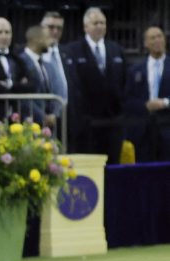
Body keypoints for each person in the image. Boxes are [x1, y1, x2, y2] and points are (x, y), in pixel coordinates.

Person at [65, 7, 126, 164]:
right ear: (85, 27)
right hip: (87, 123)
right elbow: (74, 85)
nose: (99, 26)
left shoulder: (116, 49)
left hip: (113, 121)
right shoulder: (72, 50)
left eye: (102, 23)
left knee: (113, 166)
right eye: (95, 23)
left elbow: (124, 81)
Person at [123, 26, 170, 162]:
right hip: (142, 130)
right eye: (152, 38)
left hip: (167, 126)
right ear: (145, 43)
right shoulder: (134, 69)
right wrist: (145, 106)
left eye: (159, 36)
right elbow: (127, 99)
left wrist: (165, 102)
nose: (157, 40)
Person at [19, 25, 59, 128]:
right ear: (37, 40)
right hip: (29, 123)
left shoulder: (46, 65)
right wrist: (42, 117)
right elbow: (22, 96)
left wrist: (53, 114)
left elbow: (50, 92)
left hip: (48, 125)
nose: (51, 42)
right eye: (47, 38)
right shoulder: (20, 62)